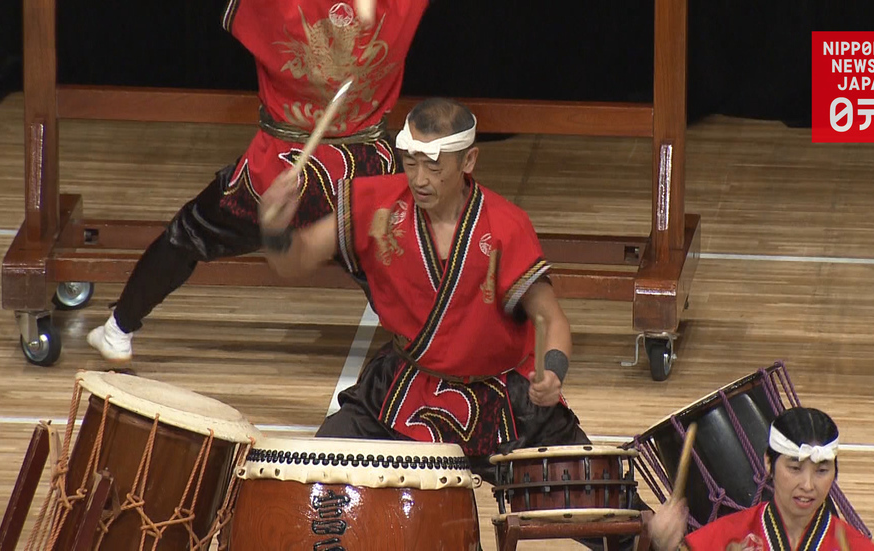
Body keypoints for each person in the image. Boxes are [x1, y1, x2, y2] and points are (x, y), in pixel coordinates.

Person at [261, 99, 642, 550]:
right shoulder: (376, 204)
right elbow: (296, 259)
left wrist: (553, 369)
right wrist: (273, 229)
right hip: (404, 389)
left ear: (469, 160)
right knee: (324, 474)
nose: (419, 178)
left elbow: (549, 317)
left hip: (503, 399)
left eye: (434, 165)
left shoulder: (505, 226)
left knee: (614, 517)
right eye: (410, 162)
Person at [87, 0, 431, 361]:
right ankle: (431, 351)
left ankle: (118, 330)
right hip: (363, 179)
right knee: (392, 270)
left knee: (187, 235)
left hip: (278, 175)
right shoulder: (397, 6)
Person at [647, 407, 874, 551]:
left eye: (821, 471)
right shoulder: (723, 538)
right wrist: (662, 547)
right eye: (795, 468)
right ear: (769, 463)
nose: (808, 485)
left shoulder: (856, 547)